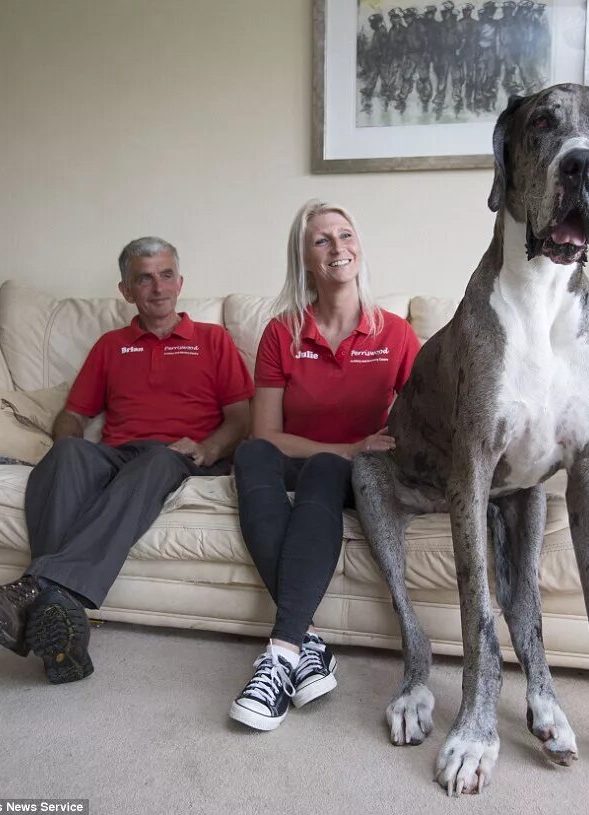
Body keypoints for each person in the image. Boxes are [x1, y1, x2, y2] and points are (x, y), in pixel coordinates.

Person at [0, 237, 254, 684]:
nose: (158, 287)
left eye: (166, 275)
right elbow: (72, 415)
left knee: (156, 461)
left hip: (182, 456)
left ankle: (32, 591)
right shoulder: (111, 346)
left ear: (181, 282)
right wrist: (66, 441)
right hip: (118, 454)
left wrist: (207, 448)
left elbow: (242, 417)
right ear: (126, 291)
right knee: (68, 453)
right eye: (144, 278)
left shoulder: (212, 340)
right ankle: (63, 631)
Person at [228, 200, 421, 731]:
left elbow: (425, 419)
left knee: (325, 470)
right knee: (250, 452)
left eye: (346, 235)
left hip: (351, 474)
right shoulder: (281, 333)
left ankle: (281, 651)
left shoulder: (396, 334)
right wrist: (347, 446)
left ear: (359, 245)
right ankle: (305, 645)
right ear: (305, 260)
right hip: (302, 456)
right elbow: (265, 433)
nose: (338, 248)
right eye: (322, 240)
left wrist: (361, 454)